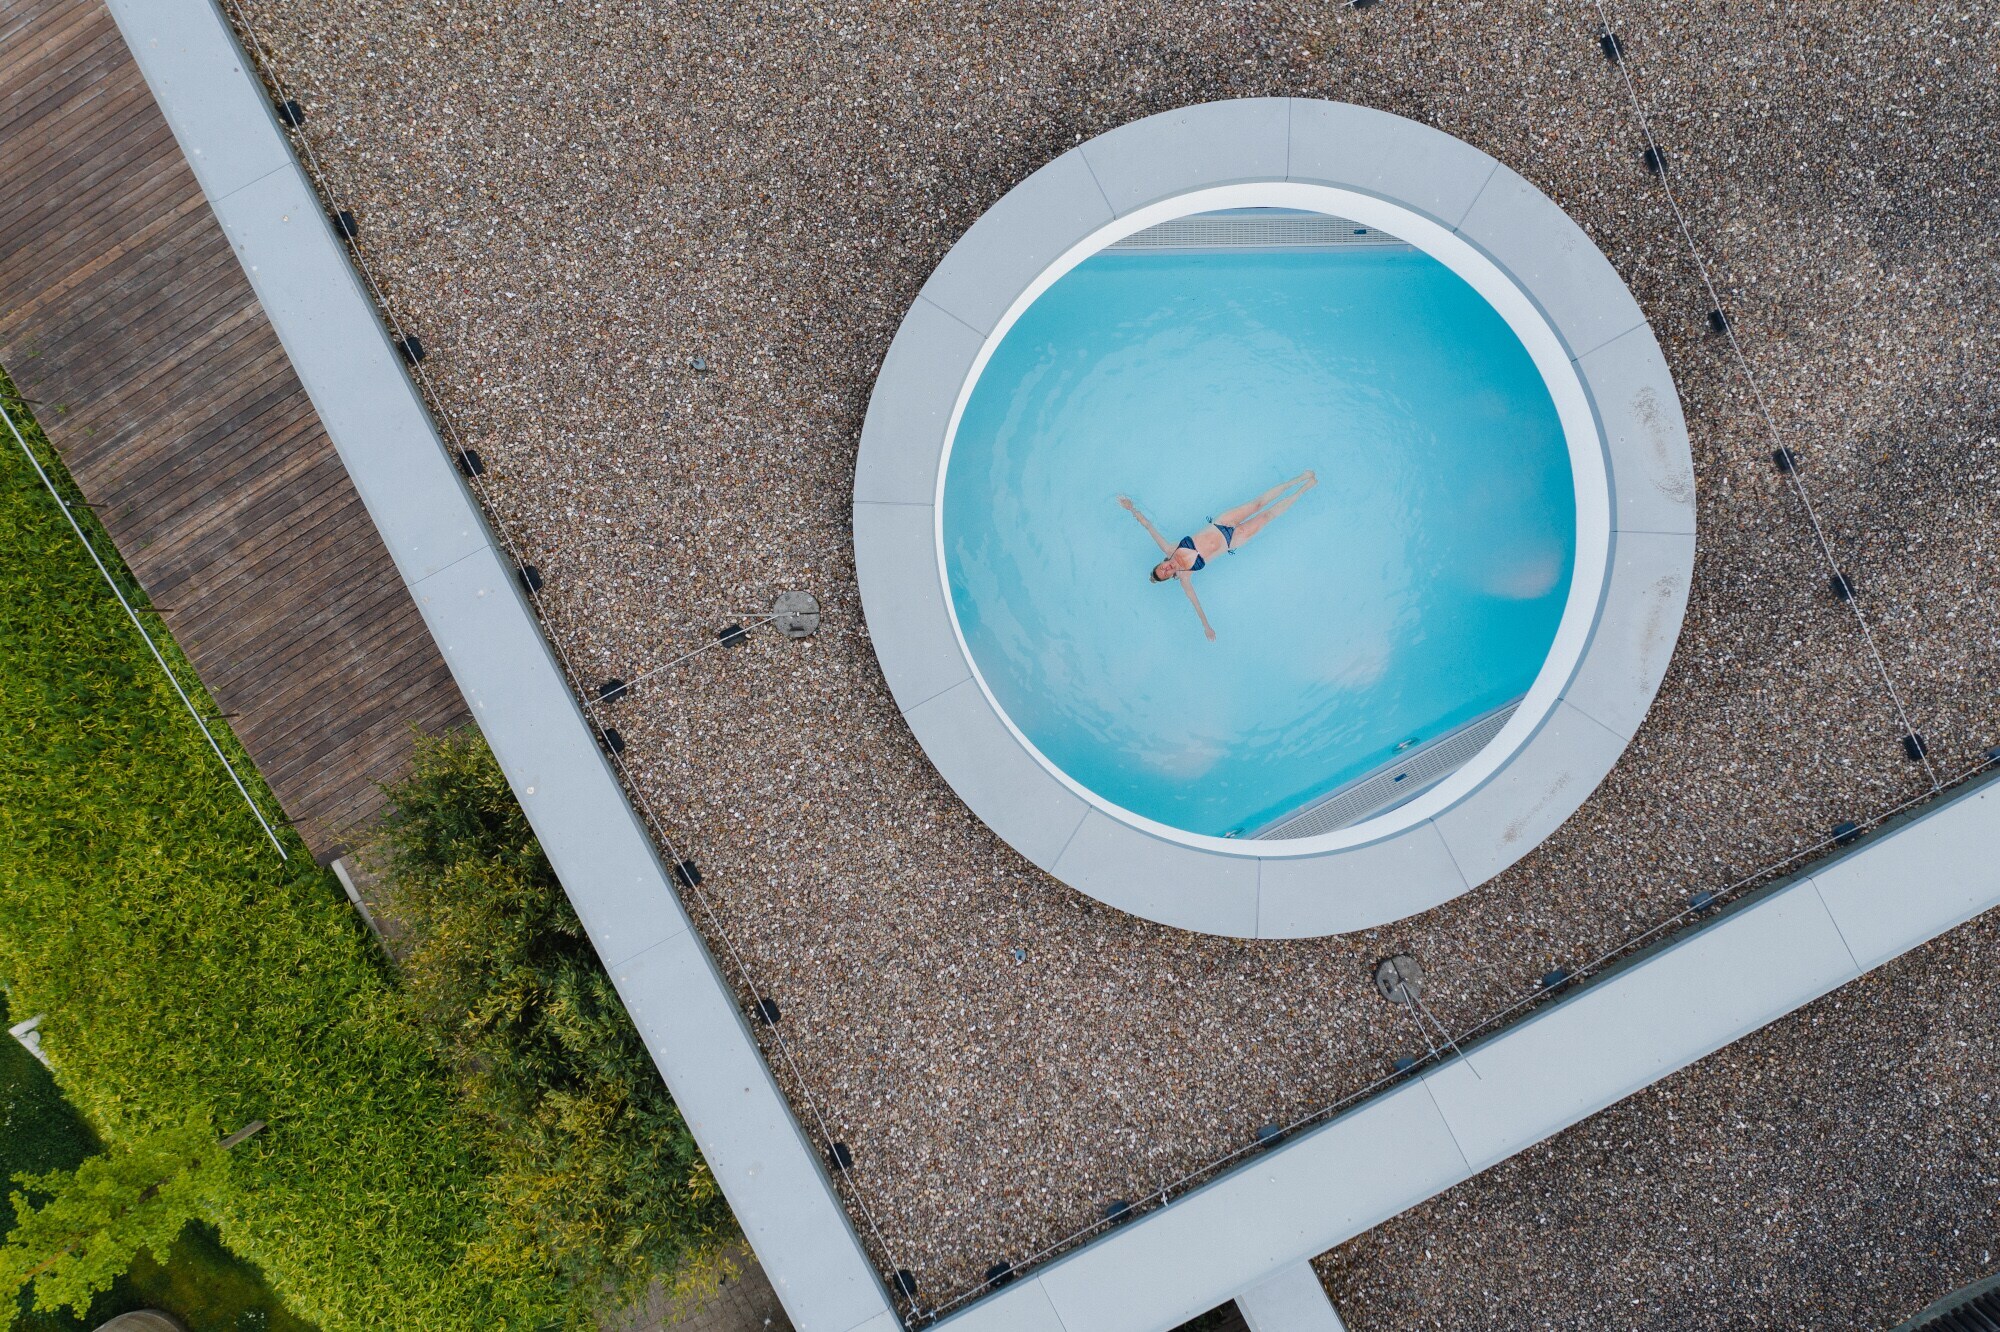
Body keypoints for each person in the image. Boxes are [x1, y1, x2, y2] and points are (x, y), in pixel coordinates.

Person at [1118, 471, 1317, 641]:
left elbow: (1148, 526)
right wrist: (1206, 626)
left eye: (1161, 568)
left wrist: (1131, 508)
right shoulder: (1185, 577)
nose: (1166, 569)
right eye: (1166, 574)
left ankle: (1298, 479)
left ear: (1162, 563)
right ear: (1171, 577)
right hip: (1233, 541)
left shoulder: (1170, 548)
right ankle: (1304, 489)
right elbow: (1195, 603)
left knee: (1257, 504)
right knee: (1267, 516)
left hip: (1222, 522)